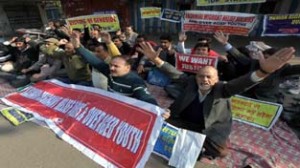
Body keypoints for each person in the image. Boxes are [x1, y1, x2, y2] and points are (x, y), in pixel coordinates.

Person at [137, 42, 295, 159]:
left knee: (221, 153)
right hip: (186, 122)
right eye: (201, 76)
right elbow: (174, 73)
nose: (204, 80)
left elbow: (243, 83)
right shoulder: (191, 82)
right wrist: (157, 61)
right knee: (157, 128)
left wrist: (263, 72)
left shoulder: (223, 89)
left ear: (217, 79)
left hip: (210, 129)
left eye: (209, 77)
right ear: (196, 77)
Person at [69, 31, 158, 105]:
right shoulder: (109, 72)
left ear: (127, 68)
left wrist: (158, 110)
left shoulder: (135, 81)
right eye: (111, 65)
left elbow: (145, 97)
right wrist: (78, 46)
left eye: (116, 66)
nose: (111, 68)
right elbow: (93, 60)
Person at [214, 30, 300, 102]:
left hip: (267, 102)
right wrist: (225, 44)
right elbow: (238, 56)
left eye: (271, 60)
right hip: (245, 100)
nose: (267, 62)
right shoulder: (253, 63)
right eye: (265, 58)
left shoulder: (284, 69)